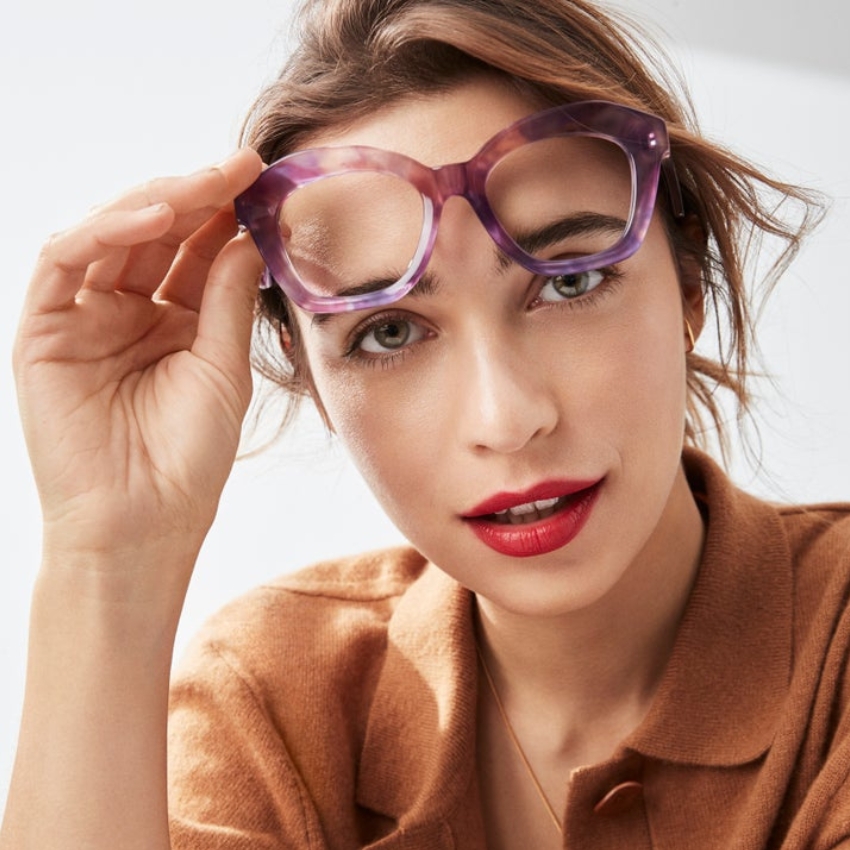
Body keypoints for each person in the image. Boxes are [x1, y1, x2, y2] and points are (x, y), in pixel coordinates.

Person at [2, 0, 849, 848]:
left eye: (569, 281)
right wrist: (106, 561)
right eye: (389, 333)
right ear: (310, 378)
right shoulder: (274, 705)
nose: (506, 420)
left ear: (691, 283)